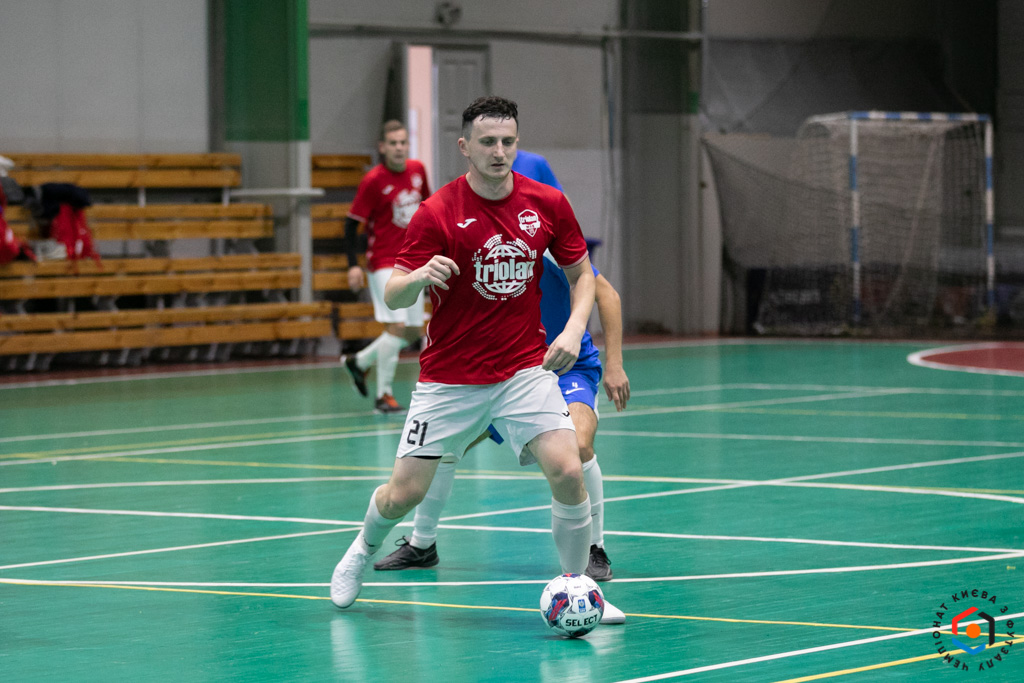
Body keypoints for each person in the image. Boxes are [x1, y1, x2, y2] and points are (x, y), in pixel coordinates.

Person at [330, 96, 624, 623]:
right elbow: (394, 293)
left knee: (567, 468)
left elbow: (584, 276)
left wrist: (574, 329)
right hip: (450, 379)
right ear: (465, 146)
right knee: (403, 494)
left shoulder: (547, 203)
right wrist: (420, 278)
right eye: (488, 142)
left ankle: (580, 590)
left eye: (508, 141)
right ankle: (359, 551)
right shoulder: (437, 211)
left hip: (523, 371)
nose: (499, 151)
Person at [342, 120, 431, 413]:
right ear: (382, 147)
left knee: (413, 331)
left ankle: (359, 362)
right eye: (393, 143)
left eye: (403, 142)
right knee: (397, 325)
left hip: (413, 260)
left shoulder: (418, 171)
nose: (399, 148)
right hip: (382, 262)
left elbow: (429, 209)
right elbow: (350, 224)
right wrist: (353, 265)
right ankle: (384, 395)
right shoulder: (373, 180)